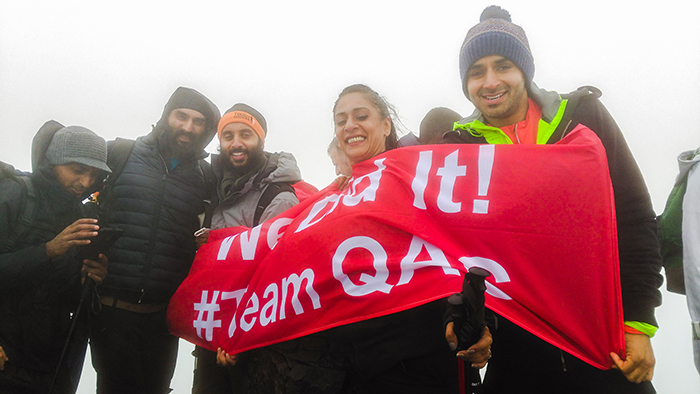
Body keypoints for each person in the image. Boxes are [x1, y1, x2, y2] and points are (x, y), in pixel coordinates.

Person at [442, 6, 663, 393]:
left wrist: (638, 321)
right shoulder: (458, 148)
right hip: (515, 356)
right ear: (466, 82)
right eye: (477, 72)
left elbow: (633, 217)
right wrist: (474, 325)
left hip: (603, 346)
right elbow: (448, 252)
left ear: (525, 71)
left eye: (503, 65)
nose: (490, 81)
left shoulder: (581, 117)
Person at [331, 83, 491, 394]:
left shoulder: (422, 180)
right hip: (349, 368)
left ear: (386, 124)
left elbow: (452, 255)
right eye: (341, 120)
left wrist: (469, 322)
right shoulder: (334, 199)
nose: (350, 125)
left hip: (419, 364)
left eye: (361, 115)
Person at [88, 86, 221, 394]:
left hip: (162, 321)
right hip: (110, 311)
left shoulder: (206, 177)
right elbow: (67, 183)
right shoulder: (120, 153)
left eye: (198, 122)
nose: (188, 127)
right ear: (166, 117)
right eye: (181, 116)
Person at [192, 103, 306, 394]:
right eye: (228, 136)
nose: (236, 143)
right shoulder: (212, 186)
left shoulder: (278, 196)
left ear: (261, 140)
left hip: (253, 340)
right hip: (214, 329)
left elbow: (277, 277)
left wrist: (240, 335)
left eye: (246, 134)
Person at [0, 122, 110, 394]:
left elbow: (60, 295)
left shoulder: (83, 217)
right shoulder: (14, 195)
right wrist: (48, 250)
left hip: (50, 367)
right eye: (77, 170)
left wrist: (90, 279)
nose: (85, 182)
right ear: (53, 161)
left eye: (94, 175)